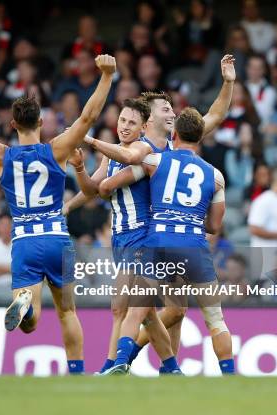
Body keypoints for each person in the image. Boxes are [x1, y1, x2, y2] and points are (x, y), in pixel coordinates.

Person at [0, 53, 117, 375]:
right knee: (68, 312)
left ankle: (26, 306)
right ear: (42, 122)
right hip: (57, 237)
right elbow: (87, 118)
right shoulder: (56, 148)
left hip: (25, 240)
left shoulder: (1, 155)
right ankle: (76, 374)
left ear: (13, 124)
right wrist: (106, 77)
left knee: (30, 325)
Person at [67, 54, 236, 371]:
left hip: (148, 236)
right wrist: (74, 184)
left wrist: (228, 83)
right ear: (150, 120)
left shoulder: (157, 153)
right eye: (165, 108)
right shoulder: (137, 148)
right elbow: (95, 188)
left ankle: (123, 363)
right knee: (164, 310)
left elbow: (214, 114)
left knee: (144, 308)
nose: (173, 112)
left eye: (172, 109)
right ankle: (167, 368)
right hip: (132, 235)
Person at [97, 107, 235, 375]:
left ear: (175, 134)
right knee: (216, 320)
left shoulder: (155, 162)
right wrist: (191, 219)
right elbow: (215, 226)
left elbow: (107, 186)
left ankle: (122, 360)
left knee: (138, 309)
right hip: (194, 247)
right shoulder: (215, 175)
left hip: (157, 243)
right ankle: (229, 375)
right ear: (200, 138)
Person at [65, 98, 181, 375]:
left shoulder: (145, 152)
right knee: (145, 313)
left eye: (132, 123)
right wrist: (78, 173)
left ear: (143, 128)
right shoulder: (112, 153)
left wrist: (89, 140)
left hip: (142, 236)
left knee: (126, 308)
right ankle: (172, 368)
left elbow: (105, 188)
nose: (125, 126)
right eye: (122, 121)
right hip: (121, 238)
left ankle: (113, 363)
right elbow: (93, 189)